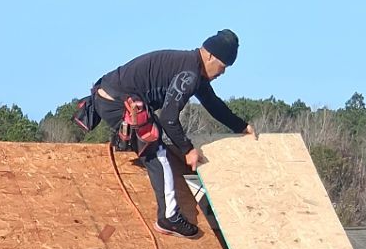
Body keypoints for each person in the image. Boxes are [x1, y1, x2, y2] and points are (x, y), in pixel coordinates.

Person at [76, 30, 256, 238]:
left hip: (111, 96)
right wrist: (187, 149)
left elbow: (212, 104)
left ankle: (125, 138)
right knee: (157, 151)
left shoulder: (191, 68)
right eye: (223, 67)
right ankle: (169, 218)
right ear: (209, 56)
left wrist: (240, 126)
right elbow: (169, 117)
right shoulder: (189, 74)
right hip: (118, 102)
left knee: (154, 136)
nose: (222, 73)